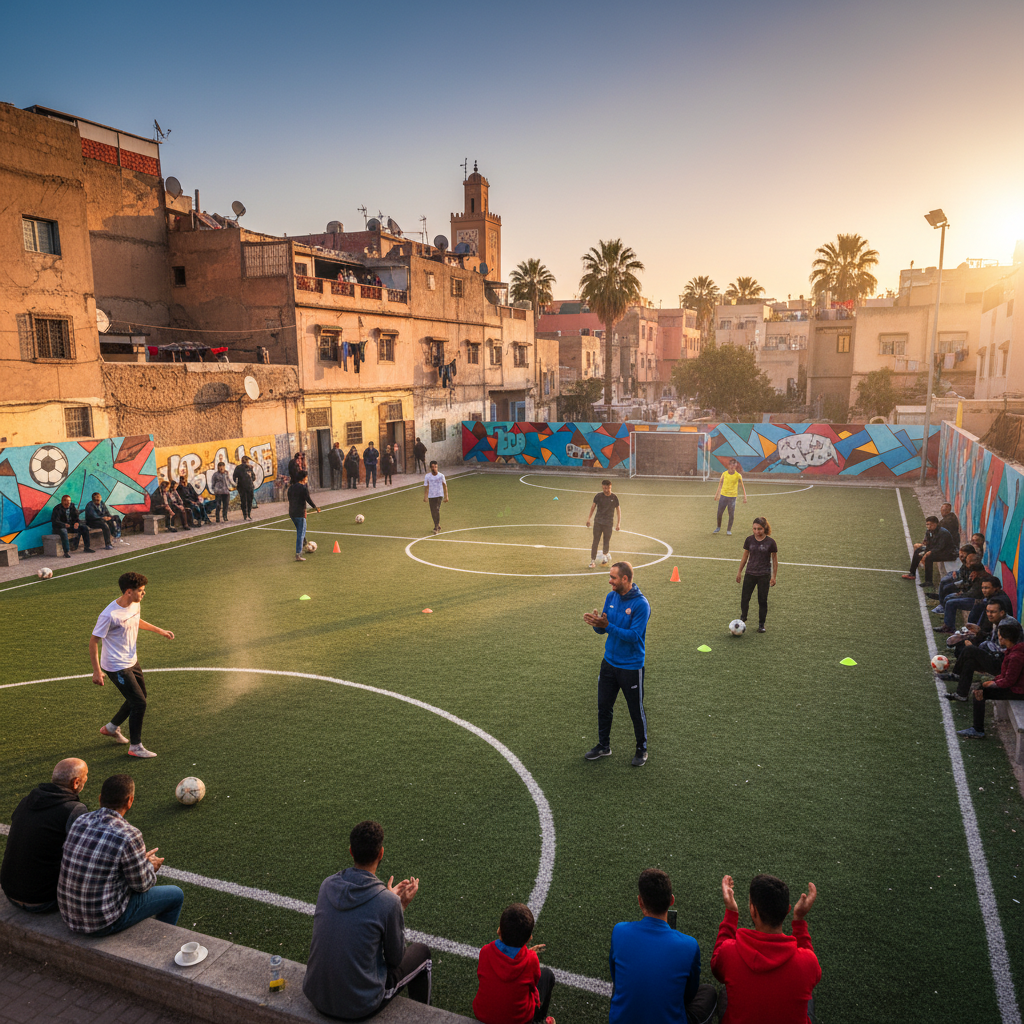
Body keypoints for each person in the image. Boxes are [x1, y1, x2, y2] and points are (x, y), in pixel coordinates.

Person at [303, 820, 431, 1020]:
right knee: (422, 952)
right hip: (359, 1005)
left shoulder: (327, 885)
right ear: (381, 853)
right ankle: (424, 1016)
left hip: (316, 995)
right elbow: (395, 960)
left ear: (351, 851)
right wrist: (398, 905)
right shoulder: (388, 903)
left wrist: (390, 901)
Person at [57, 774, 184, 935]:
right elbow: (142, 885)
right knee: (175, 895)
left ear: (100, 798)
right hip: (102, 922)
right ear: (129, 801)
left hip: (69, 916)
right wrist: (149, 866)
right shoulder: (129, 834)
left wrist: (137, 861)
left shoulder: (81, 820)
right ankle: (158, 942)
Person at [608, 869, 717, 1024]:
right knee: (709, 992)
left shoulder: (619, 931)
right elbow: (688, 995)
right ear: (671, 900)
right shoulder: (689, 945)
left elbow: (616, 978)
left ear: (640, 901)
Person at [711, 874, 821, 1024]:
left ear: (753, 910)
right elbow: (814, 974)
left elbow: (716, 968)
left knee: (725, 993)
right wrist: (799, 920)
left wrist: (731, 911)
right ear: (788, 910)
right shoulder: (808, 962)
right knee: (807, 995)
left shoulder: (729, 952)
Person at [91, 570, 175, 759]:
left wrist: (159, 630)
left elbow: (136, 621)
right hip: (116, 665)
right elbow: (93, 641)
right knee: (139, 702)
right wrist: (97, 671)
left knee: (140, 696)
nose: (143, 593)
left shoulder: (134, 605)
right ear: (129, 591)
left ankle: (111, 728)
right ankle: (135, 746)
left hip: (131, 660)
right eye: (141, 590)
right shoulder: (109, 615)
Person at [583, 561, 651, 767]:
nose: (609, 581)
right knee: (604, 706)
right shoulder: (611, 597)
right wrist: (597, 624)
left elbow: (633, 636)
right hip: (609, 663)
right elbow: (605, 628)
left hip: (631, 666)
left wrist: (607, 625)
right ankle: (604, 746)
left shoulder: (641, 604)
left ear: (625, 579)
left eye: (613, 577)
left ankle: (642, 749)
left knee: (635, 710)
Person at [1, 758, 89, 913]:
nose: (86, 780)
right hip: (44, 899)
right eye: (86, 776)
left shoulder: (26, 801)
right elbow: (84, 857)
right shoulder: (74, 809)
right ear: (76, 783)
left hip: (10, 891)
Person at [473, 903, 556, 1024]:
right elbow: (532, 987)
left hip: (482, 1015)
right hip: (519, 1020)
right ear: (529, 939)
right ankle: (539, 1020)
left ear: (499, 931)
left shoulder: (485, 951)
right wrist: (529, 955)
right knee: (548, 975)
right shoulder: (531, 960)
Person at [957, 621, 1024, 739]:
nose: (998, 639)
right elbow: (1005, 674)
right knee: (982, 688)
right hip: (1016, 687)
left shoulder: (1016, 656)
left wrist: (994, 683)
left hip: (1018, 691)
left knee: (980, 692)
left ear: (1003, 638)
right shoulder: (1013, 651)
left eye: (999, 636)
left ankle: (978, 729)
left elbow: (1009, 681)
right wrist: (995, 680)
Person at [942, 600, 1018, 700]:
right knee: (970, 662)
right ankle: (961, 695)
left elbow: (1000, 650)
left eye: (993, 612)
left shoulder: (1006, 624)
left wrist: (979, 651)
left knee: (970, 650)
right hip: (1001, 659)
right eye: (988, 611)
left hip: (1006, 665)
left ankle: (956, 674)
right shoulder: (1000, 621)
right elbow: (992, 641)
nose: (989, 614)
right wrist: (979, 632)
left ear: (1002, 612)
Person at [736, 517, 778, 634]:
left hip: (764, 575)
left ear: (764, 528)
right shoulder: (749, 540)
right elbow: (745, 556)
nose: (756, 531)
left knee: (762, 600)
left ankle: (761, 624)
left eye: (759, 529)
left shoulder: (771, 542)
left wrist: (773, 576)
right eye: (754, 528)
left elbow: (775, 560)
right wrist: (739, 571)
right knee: (745, 598)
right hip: (750, 574)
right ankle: (743, 618)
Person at [902, 515, 956, 586]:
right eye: (927, 524)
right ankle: (912, 573)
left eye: (930, 524)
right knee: (918, 550)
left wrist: (927, 553)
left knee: (929, 558)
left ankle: (929, 581)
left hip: (948, 553)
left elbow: (940, 547)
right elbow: (929, 545)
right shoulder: (929, 532)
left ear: (935, 524)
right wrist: (925, 552)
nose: (928, 526)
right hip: (937, 550)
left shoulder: (943, 533)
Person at [586, 479, 621, 569]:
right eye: (604, 488)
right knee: (595, 541)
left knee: (606, 540)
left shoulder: (614, 497)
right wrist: (589, 519)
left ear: (611, 487)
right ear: (602, 487)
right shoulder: (598, 496)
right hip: (598, 522)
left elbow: (618, 510)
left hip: (608, 523)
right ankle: (592, 561)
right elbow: (593, 507)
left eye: (608, 488)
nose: (606, 490)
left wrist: (618, 523)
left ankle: (605, 555)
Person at [288, 469, 320, 562]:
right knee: (300, 533)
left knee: (302, 529)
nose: (307, 479)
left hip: (292, 513)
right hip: (299, 513)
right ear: (303, 478)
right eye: (306, 478)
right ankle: (298, 554)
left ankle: (305, 544)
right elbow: (308, 499)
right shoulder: (303, 488)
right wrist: (315, 507)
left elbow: (290, 500)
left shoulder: (291, 488)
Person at [712, 458, 747, 535]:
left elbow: (742, 486)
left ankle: (728, 530)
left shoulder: (738, 475)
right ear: (728, 465)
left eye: (734, 465)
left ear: (736, 466)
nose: (732, 466)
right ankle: (718, 527)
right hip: (723, 496)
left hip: (732, 497)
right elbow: (720, 484)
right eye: (731, 465)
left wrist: (745, 497)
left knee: (731, 514)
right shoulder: (724, 474)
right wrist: (717, 494)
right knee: (719, 513)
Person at [423, 461, 449, 535]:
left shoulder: (441, 476)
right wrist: (425, 497)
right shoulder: (427, 476)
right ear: (430, 467)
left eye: (435, 467)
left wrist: (446, 496)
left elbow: (445, 486)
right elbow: (426, 486)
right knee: (433, 511)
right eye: (432, 467)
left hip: (439, 495)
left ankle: (436, 527)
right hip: (431, 495)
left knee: (436, 509)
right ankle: (437, 524)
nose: (434, 468)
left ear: (437, 467)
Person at [233, 456, 256, 520]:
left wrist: (251, 476)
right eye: (246, 461)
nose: (246, 462)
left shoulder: (249, 468)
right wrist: (237, 484)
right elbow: (234, 477)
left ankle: (248, 514)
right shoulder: (239, 468)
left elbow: (254, 477)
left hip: (249, 486)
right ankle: (245, 515)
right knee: (244, 501)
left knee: (249, 500)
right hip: (242, 487)